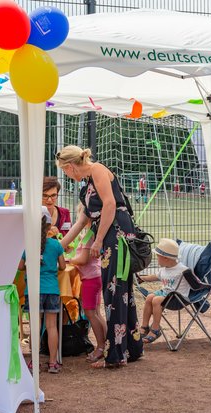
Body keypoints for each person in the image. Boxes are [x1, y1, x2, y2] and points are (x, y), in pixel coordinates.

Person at [57, 145, 143, 369]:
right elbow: (81, 222)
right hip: (109, 235)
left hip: (116, 233)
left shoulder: (97, 170)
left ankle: (115, 355)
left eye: (65, 171)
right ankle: (131, 348)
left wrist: (98, 240)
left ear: (70, 166)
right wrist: (58, 247)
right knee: (120, 291)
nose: (67, 175)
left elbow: (110, 204)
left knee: (114, 291)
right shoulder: (87, 185)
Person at [19, 213, 66, 374]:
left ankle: (35, 361)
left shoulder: (28, 245)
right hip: (51, 289)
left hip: (33, 290)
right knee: (51, 326)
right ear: (49, 227)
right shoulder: (56, 244)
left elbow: (20, 266)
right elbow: (63, 266)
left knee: (35, 326)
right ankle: (53, 362)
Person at [66, 204, 106, 363]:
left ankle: (100, 347)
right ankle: (106, 344)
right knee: (96, 313)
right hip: (95, 276)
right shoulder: (90, 234)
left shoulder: (90, 235)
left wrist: (69, 260)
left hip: (90, 279)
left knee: (91, 314)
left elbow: (83, 259)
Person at [136, 238, 192, 344]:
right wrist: (142, 279)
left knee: (156, 300)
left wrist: (202, 286)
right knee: (149, 297)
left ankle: (155, 329)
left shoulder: (183, 270)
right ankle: (144, 327)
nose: (156, 259)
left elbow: (194, 281)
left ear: (165, 258)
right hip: (165, 294)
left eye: (158, 256)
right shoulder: (164, 269)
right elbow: (155, 277)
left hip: (177, 298)